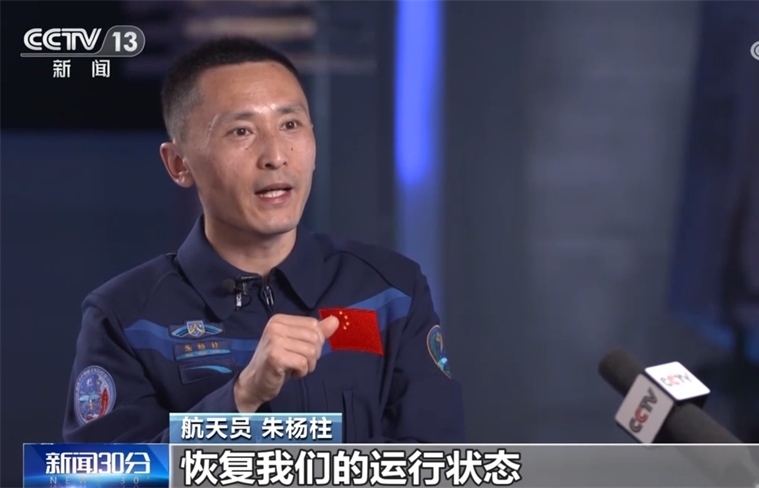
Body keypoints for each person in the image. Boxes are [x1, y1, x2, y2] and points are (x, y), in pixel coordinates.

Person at [62, 37, 465, 443]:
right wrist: (241, 397)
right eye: (241, 131)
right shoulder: (125, 317)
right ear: (179, 164)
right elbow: (104, 472)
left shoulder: (391, 291)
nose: (275, 155)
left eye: (290, 125)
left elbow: (437, 462)